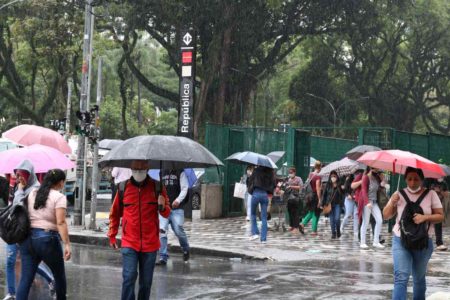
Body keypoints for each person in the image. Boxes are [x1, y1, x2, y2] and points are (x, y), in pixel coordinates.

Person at [108, 160, 170, 300]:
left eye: (141, 168)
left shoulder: (158, 187)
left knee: (146, 283)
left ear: (147, 168)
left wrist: (162, 205)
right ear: (131, 168)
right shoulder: (123, 188)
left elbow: (166, 213)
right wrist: (112, 235)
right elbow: (115, 213)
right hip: (129, 242)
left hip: (150, 243)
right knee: (129, 278)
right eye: (135, 169)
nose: (138, 172)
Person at [383, 167, 444, 300]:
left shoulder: (431, 194)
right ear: (405, 179)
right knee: (401, 277)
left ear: (422, 179)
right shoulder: (398, 194)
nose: (412, 182)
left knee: (418, 278)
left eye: (416, 179)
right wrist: (392, 202)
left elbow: (440, 216)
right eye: (409, 179)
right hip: (401, 240)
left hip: (423, 242)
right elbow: (386, 216)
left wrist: (425, 217)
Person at [15, 167, 70, 300]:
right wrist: (67, 244)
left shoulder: (33, 193)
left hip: (27, 240)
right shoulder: (59, 197)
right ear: (61, 182)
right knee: (59, 276)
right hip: (47, 239)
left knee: (25, 279)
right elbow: (61, 222)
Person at [157, 168, 191, 265]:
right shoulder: (162, 171)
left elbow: (185, 188)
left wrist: (178, 200)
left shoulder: (180, 172)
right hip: (164, 207)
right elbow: (159, 189)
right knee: (162, 230)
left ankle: (185, 249)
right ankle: (163, 256)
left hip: (177, 208)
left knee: (178, 230)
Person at [359, 167, 385, 249]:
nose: (377, 170)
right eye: (375, 169)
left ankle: (376, 242)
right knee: (365, 222)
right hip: (366, 202)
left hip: (374, 202)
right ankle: (362, 242)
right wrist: (367, 202)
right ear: (371, 168)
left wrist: (382, 183)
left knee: (379, 220)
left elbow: (378, 189)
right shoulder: (365, 177)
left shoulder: (376, 178)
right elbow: (363, 190)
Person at [248, 166, 276, 243]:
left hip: (256, 193)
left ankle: (255, 233)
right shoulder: (270, 172)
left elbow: (250, 181)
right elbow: (274, 184)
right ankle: (263, 239)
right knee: (264, 217)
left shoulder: (256, 170)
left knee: (253, 214)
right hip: (265, 195)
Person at [300, 161, 322, 236]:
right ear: (320, 167)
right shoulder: (318, 176)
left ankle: (302, 224)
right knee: (316, 213)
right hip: (315, 196)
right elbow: (317, 188)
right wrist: (319, 199)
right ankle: (313, 231)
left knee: (311, 212)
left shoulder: (310, 175)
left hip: (309, 196)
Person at [322, 171, 344, 239]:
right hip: (329, 204)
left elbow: (343, 194)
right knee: (332, 220)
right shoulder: (327, 185)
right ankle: (333, 233)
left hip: (337, 204)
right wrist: (322, 204)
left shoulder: (339, 184)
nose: (333, 178)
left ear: (337, 177)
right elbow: (324, 195)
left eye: (334, 176)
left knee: (337, 219)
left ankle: (338, 230)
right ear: (330, 177)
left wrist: (341, 188)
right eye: (332, 176)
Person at [285, 167, 303, 234]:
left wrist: (291, 186)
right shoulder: (288, 179)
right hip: (289, 198)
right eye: (289, 173)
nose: (290, 174)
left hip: (296, 197)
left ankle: (296, 227)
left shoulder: (298, 179)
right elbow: (285, 187)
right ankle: (292, 225)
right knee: (290, 212)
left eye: (291, 172)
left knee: (295, 213)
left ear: (294, 173)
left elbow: (301, 187)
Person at [341, 172, 360, 237]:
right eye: (356, 173)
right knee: (348, 214)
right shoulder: (348, 179)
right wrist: (348, 195)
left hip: (357, 200)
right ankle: (342, 226)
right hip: (349, 200)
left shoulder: (361, 180)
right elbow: (345, 190)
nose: (357, 175)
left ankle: (356, 231)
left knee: (356, 214)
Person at [430, 182, 448, 251]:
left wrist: (440, 192)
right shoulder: (428, 180)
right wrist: (433, 190)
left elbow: (446, 194)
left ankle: (439, 243)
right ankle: (422, 241)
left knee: (438, 224)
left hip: (438, 206)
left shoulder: (444, 183)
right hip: (427, 205)